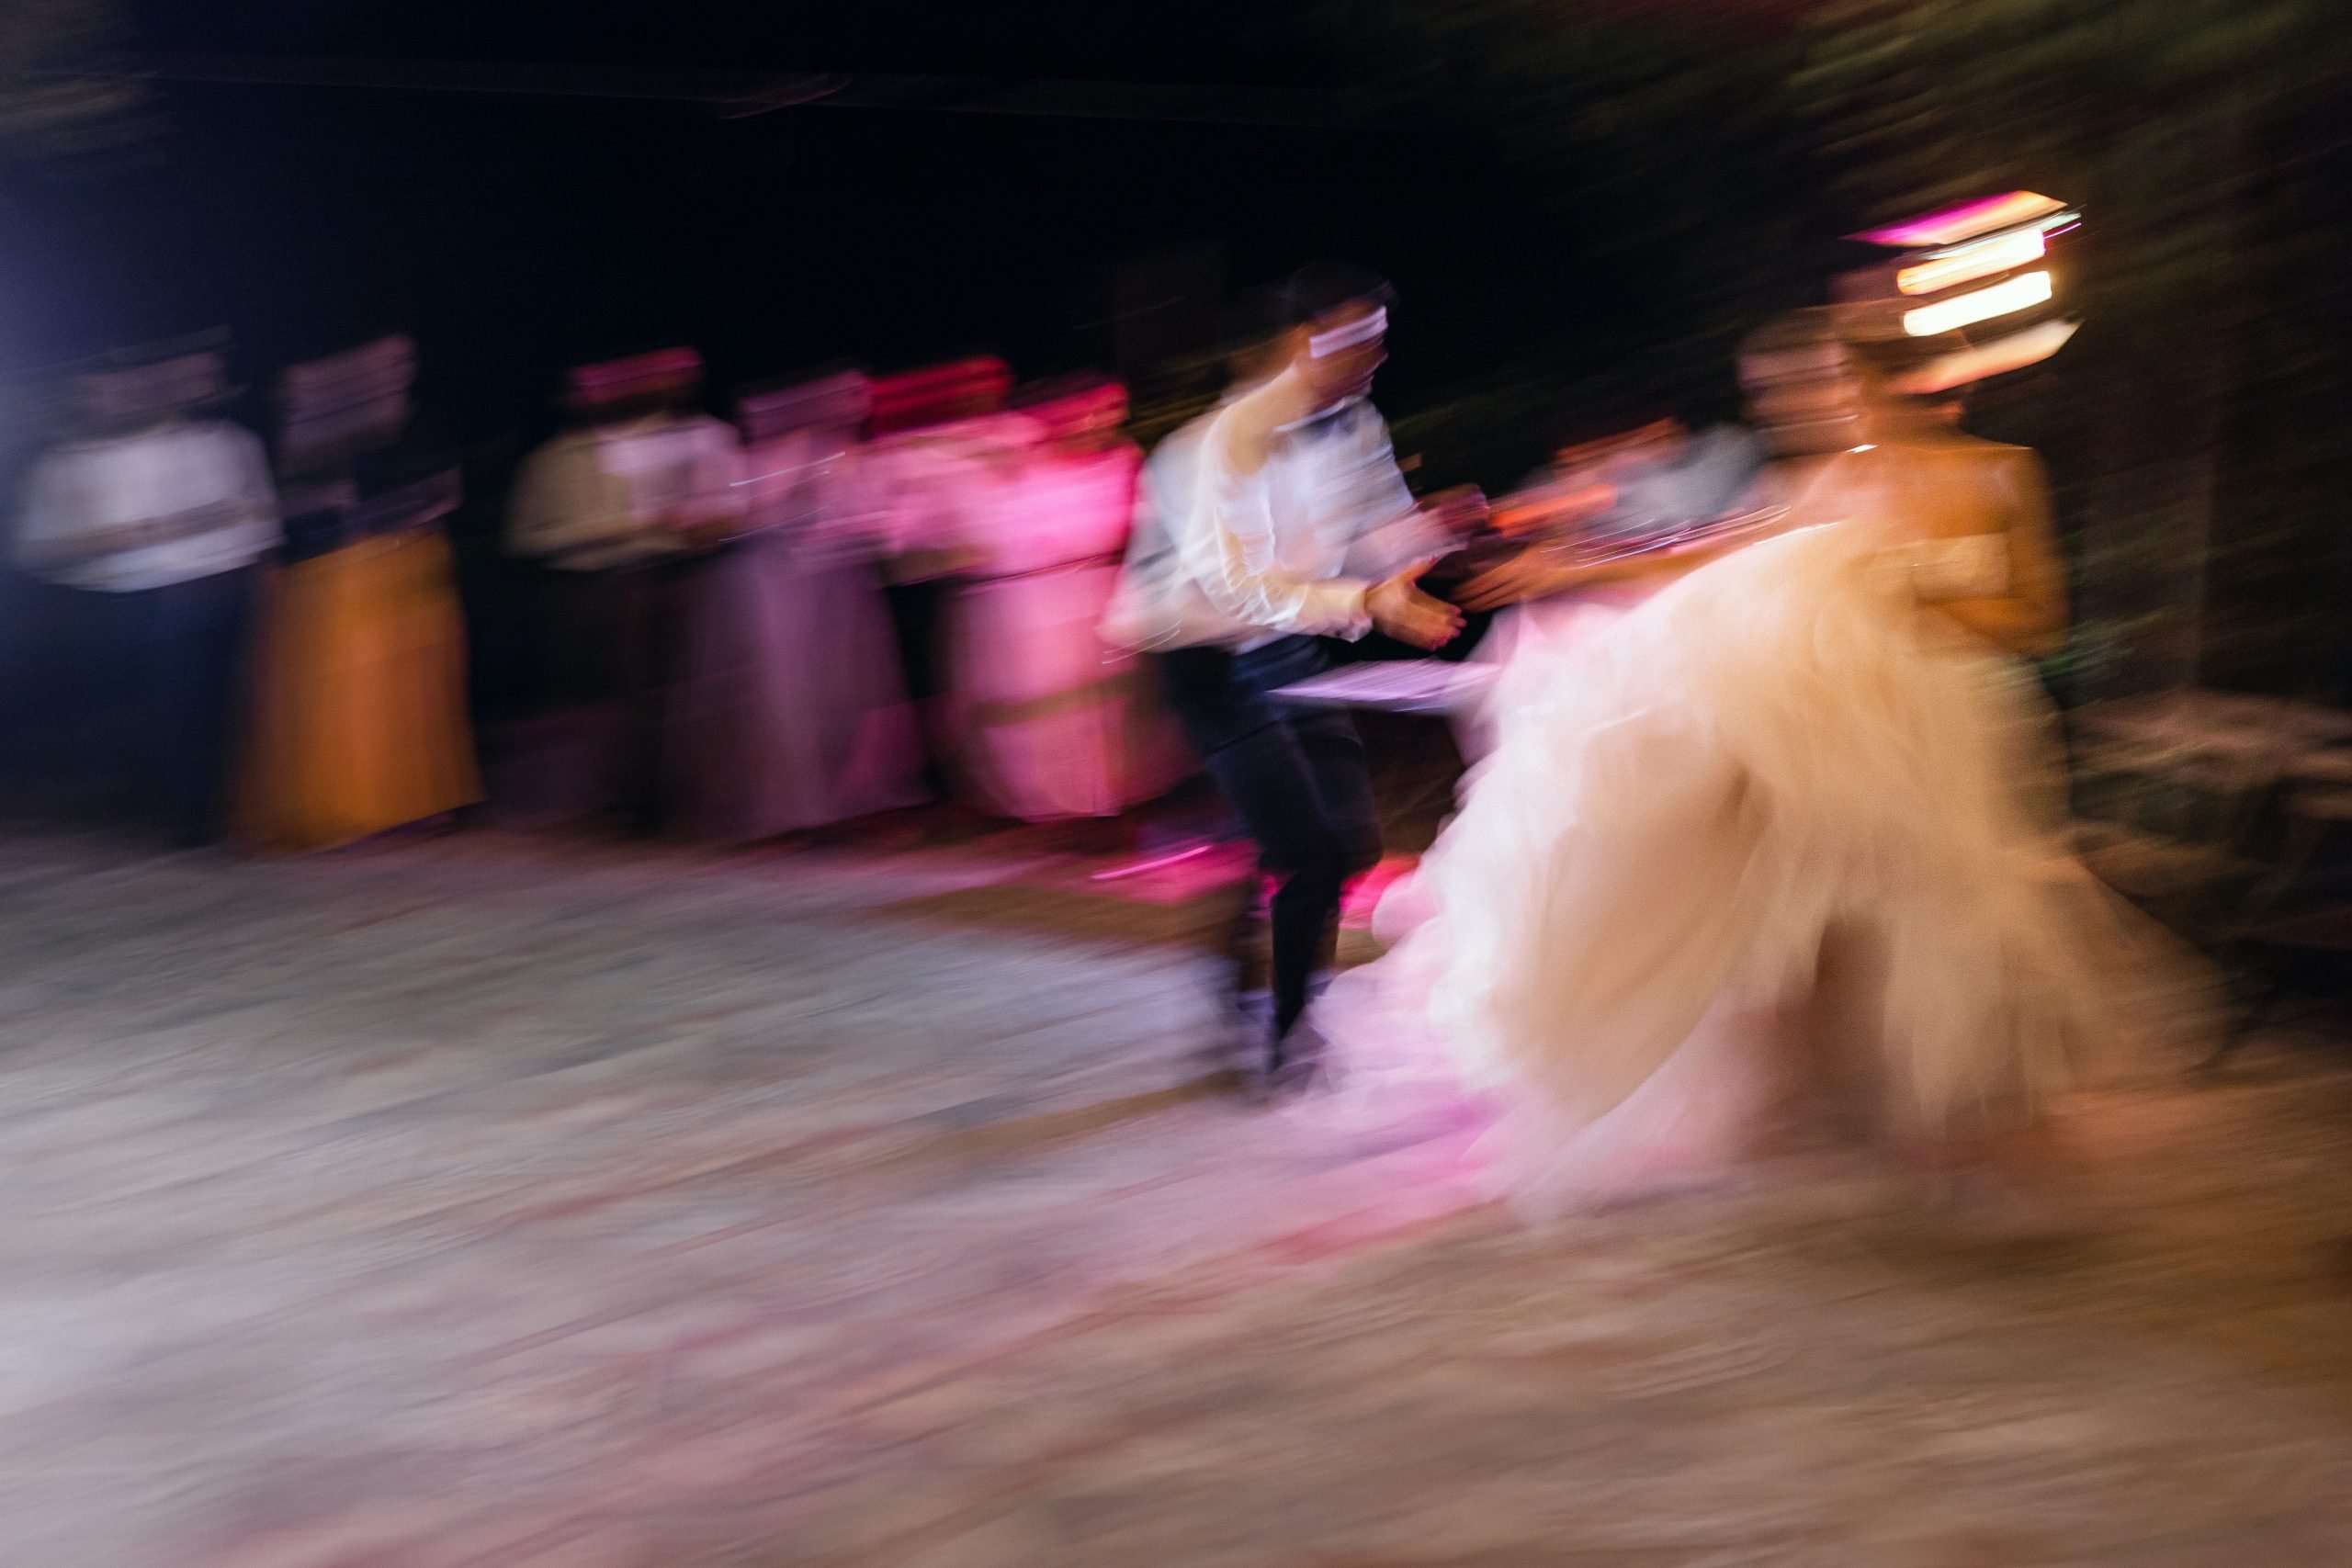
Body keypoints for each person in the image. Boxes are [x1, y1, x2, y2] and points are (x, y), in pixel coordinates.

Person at [1353, 308, 2205, 1214]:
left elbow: (2036, 618)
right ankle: (1833, 1108)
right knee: (1811, 902)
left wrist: (1904, 600)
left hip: (1952, 721)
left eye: (1844, 381)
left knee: (1944, 913)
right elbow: (1710, 560)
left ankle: (1969, 1122)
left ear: (1902, 383)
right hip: (1839, 723)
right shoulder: (1828, 481)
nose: (1827, 402)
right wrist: (1568, 571)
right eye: (1824, 384)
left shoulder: (2001, 472)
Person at [1142, 263, 1485, 1093]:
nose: (1374, 354)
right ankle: (1289, 1039)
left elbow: (1376, 530)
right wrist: (1367, 598)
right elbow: (1229, 585)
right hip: (1204, 654)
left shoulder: (1354, 421)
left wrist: (1434, 532)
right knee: (1309, 851)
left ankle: (1256, 964)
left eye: (1379, 337)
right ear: (1305, 341)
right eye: (1357, 336)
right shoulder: (1212, 446)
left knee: (1349, 842)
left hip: (1288, 641)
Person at [12, 336, 279, 847]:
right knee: (161, 709)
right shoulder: (66, 461)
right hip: (122, 598)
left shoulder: (224, 441)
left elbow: (256, 524)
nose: (120, 399)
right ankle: (174, 813)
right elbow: (37, 550)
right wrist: (155, 530)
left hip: (212, 588)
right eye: (102, 391)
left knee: (208, 705)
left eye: (125, 388)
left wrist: (255, 572)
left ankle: (201, 813)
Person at [235, 333, 482, 852]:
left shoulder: (416, 428)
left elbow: (440, 493)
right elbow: (287, 509)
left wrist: (377, 519)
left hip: (395, 572)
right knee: (342, 697)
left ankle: (408, 804)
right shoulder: (307, 438)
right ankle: (348, 805)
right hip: (329, 582)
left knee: (408, 694)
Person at [504, 348, 746, 834]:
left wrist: (685, 525)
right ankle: (622, 802)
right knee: (608, 702)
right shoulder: (552, 461)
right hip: (589, 585)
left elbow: (709, 514)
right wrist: (613, 529)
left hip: (661, 576)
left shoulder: (673, 441)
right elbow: (526, 537)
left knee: (662, 698)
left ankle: (653, 804)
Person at [685, 369, 924, 840]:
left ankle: (841, 800)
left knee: (842, 692)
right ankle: (791, 808)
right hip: (772, 586)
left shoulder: (846, 459)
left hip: (836, 588)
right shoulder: (744, 462)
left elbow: (882, 522)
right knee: (784, 693)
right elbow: (717, 521)